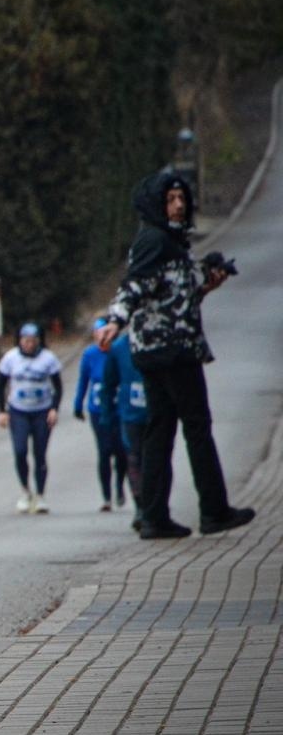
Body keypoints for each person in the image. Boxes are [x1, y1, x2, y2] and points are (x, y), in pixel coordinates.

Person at [98, 171, 254, 539]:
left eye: (182, 198)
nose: (179, 205)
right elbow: (134, 284)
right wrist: (114, 320)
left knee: (161, 430)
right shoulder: (154, 239)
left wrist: (206, 285)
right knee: (196, 426)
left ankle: (154, 516)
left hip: (158, 350)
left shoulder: (169, 241)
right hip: (173, 350)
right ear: (156, 203)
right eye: (170, 199)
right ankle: (214, 510)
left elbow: (168, 294)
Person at [0, 323, 63, 514]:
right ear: (19, 341)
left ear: (39, 341)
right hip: (18, 411)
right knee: (20, 450)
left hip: (42, 411)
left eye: (33, 341)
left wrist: (54, 409)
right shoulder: (10, 358)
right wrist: (2, 411)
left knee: (40, 453)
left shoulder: (48, 358)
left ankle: (40, 495)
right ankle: (25, 491)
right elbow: (0, 386)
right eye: (25, 341)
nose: (29, 344)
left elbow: (58, 386)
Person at [75, 317, 129, 511]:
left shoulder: (119, 352)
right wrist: (77, 405)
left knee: (121, 451)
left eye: (105, 333)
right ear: (95, 335)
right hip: (97, 410)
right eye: (98, 333)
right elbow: (83, 380)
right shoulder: (90, 354)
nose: (102, 337)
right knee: (104, 451)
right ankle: (106, 496)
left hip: (119, 409)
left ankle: (120, 486)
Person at [98, 331, 149, 528]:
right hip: (130, 415)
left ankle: (157, 506)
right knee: (134, 459)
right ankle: (141, 507)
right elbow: (108, 384)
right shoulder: (119, 347)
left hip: (159, 414)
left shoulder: (160, 341)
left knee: (157, 460)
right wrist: (106, 415)